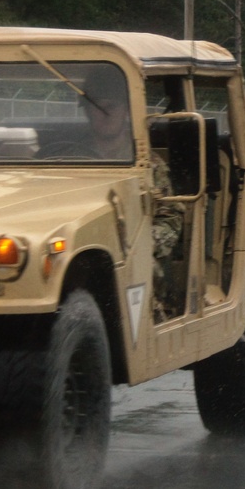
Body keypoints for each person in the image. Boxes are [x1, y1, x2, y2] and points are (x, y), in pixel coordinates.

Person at [80, 65, 184, 318]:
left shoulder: (149, 166)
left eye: (111, 107)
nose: (103, 114)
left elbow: (171, 217)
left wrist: (141, 246)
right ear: (86, 111)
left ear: (127, 109)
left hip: (135, 254)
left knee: (144, 269)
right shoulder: (68, 160)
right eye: (95, 106)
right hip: (85, 252)